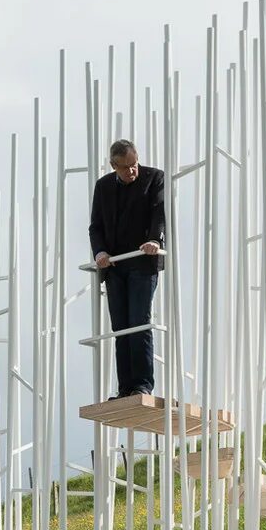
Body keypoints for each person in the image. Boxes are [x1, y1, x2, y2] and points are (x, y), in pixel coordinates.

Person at [88, 139, 166, 400]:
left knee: (139, 322)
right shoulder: (104, 186)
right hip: (115, 266)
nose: (132, 171)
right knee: (121, 327)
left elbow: (159, 213)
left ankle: (143, 384)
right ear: (113, 166)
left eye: (134, 164)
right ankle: (125, 388)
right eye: (125, 168)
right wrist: (100, 252)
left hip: (142, 262)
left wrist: (155, 240)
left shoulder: (154, 177)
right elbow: (95, 225)